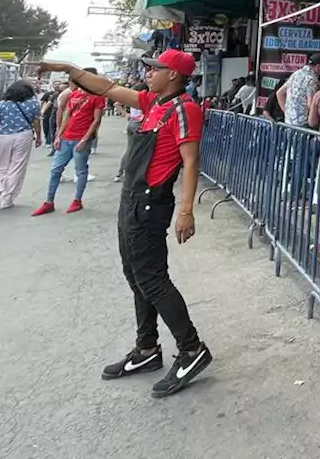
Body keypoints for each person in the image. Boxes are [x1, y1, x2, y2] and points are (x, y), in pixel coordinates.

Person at [37, 50, 212, 397]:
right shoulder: (152, 103)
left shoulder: (184, 109)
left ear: (174, 75)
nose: (147, 73)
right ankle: (146, 349)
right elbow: (107, 88)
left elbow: (191, 162)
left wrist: (186, 210)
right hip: (130, 201)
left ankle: (192, 349)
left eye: (155, 69)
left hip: (150, 204)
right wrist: (70, 69)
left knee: (152, 279)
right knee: (136, 277)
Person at [32, 69, 106, 216]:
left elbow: (96, 120)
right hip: (67, 138)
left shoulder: (97, 97)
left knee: (80, 171)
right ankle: (49, 202)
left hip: (81, 139)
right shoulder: (74, 95)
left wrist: (85, 139)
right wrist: (59, 135)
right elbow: (67, 116)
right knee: (55, 170)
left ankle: (77, 201)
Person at [0, 81, 43, 209]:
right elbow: (36, 121)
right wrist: (38, 136)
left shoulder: (2, 104)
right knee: (17, 166)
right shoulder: (33, 104)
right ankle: (7, 199)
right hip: (23, 136)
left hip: (2, 136)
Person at [284, 53, 320, 127]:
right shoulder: (312, 79)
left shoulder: (296, 74)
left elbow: (279, 93)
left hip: (289, 123)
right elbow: (310, 104)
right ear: (318, 67)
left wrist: (289, 114)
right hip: (303, 124)